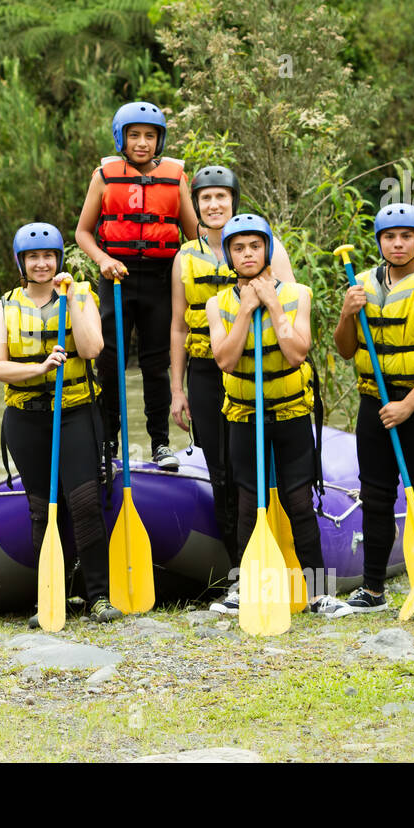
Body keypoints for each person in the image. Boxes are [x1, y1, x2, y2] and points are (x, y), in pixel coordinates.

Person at [205, 214, 347, 617]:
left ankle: (319, 593)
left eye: (254, 246)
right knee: (247, 502)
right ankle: (242, 589)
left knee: (300, 501)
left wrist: (272, 306)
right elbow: (226, 361)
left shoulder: (298, 294)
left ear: (267, 249)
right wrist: (248, 311)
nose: (247, 254)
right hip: (245, 416)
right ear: (229, 255)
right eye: (238, 248)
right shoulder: (218, 304)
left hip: (290, 414)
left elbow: (297, 352)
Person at [0, 222, 122, 625]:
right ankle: (52, 597)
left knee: (83, 503)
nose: (42, 264)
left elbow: (93, 347)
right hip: (26, 419)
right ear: (21, 263)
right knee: (43, 509)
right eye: (34, 258)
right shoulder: (5, 305)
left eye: (48, 256)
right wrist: (40, 367)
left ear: (59, 260)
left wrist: (72, 300)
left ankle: (98, 596)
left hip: (76, 412)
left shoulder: (80, 294)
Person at [331, 204, 414, 613]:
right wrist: (346, 313)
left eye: (406, 236)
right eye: (390, 237)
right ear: (379, 241)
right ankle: (372, 589)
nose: (398, 244)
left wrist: (408, 405)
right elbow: (345, 348)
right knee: (375, 495)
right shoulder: (361, 284)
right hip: (375, 403)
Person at [169, 166, 296, 568]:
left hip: (260, 370)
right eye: (206, 198)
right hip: (208, 371)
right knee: (220, 469)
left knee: (258, 465)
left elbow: (291, 303)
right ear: (196, 206)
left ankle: (280, 554)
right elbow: (177, 326)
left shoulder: (266, 245)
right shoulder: (185, 257)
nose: (214, 204)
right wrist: (177, 389)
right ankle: (238, 565)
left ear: (233, 201)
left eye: (221, 196)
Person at [75, 101, 197, 472]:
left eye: (149, 135)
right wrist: (104, 260)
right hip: (116, 279)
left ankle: (160, 443)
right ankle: (108, 443)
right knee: (108, 364)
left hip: (162, 280)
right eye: (134, 135)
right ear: (121, 138)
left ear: (159, 139)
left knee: (155, 365)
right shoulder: (104, 176)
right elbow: (83, 232)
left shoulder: (176, 177)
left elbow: (193, 237)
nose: (142, 142)